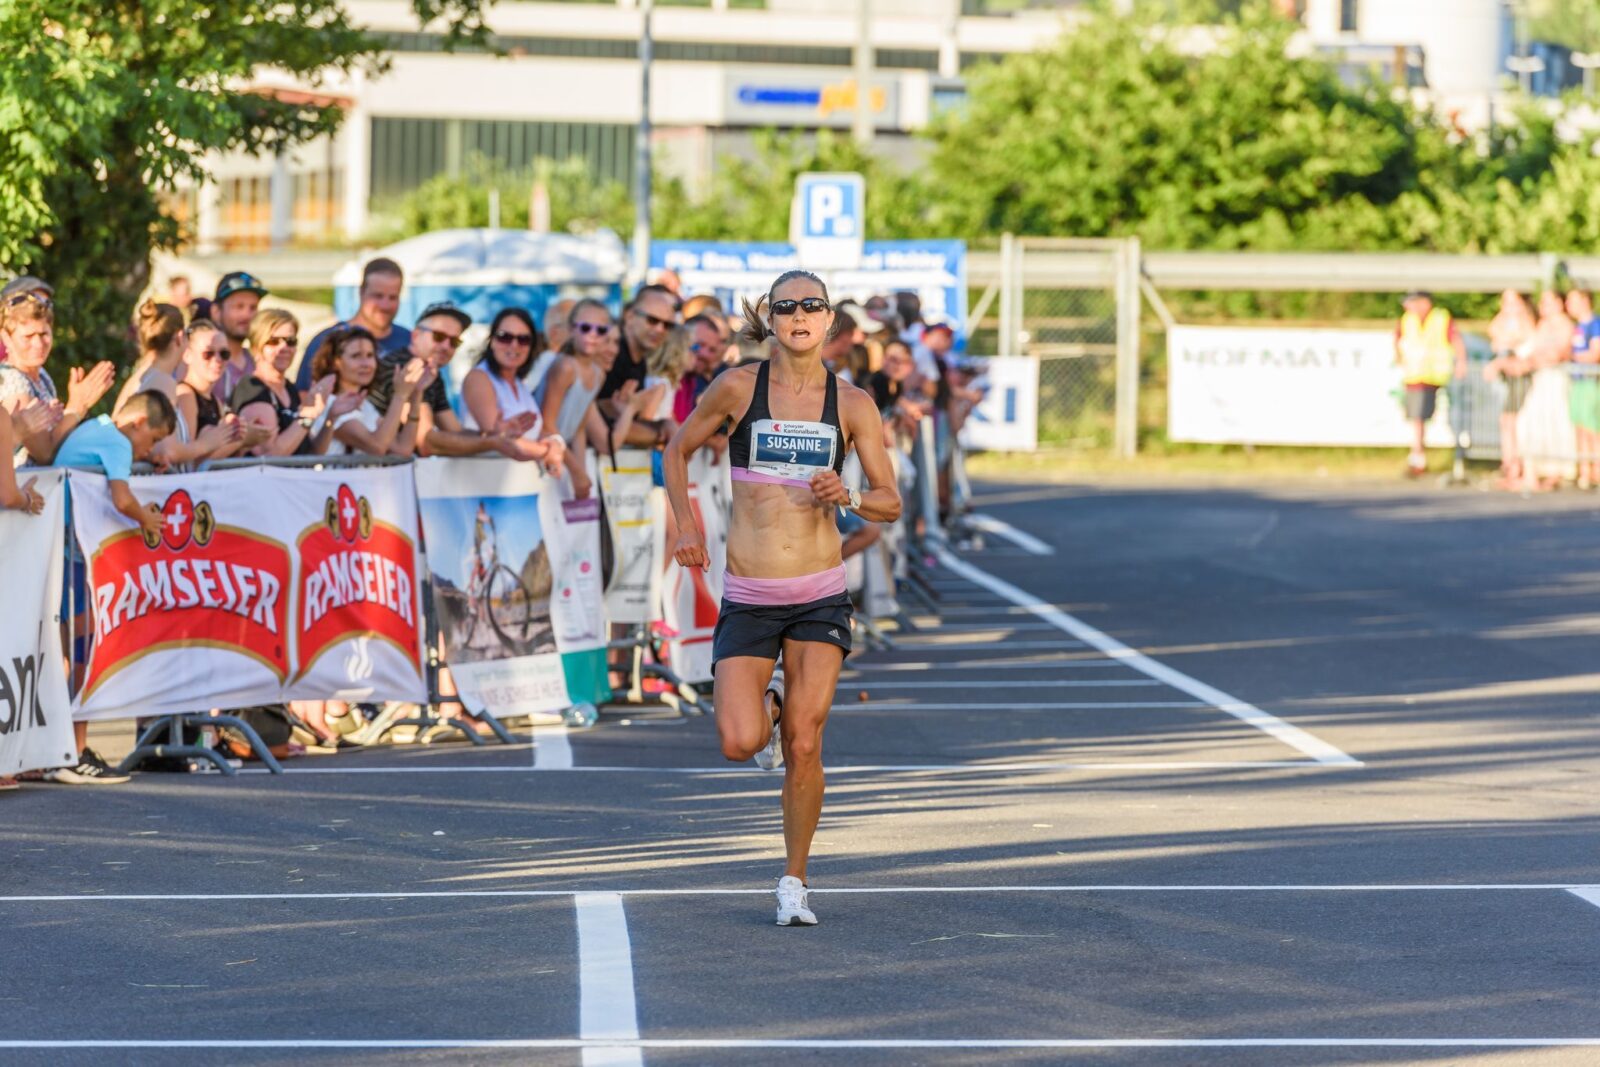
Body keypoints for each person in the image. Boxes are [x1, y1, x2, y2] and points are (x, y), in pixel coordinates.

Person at [664, 270, 901, 927]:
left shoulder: (852, 403)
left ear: (829, 321)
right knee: (740, 741)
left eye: (811, 305)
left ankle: (794, 880)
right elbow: (676, 451)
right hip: (749, 592)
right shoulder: (738, 388)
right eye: (787, 305)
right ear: (770, 318)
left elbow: (890, 501)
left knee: (804, 741)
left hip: (819, 593)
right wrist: (686, 527)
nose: (799, 315)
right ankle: (768, 703)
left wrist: (849, 495)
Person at [42, 390, 175, 785]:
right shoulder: (118, 442)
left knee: (66, 652)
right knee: (82, 651)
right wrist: (146, 520)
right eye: (152, 440)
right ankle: (71, 752)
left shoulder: (96, 430)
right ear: (138, 423)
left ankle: (60, 750)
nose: (147, 450)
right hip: (71, 554)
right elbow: (121, 498)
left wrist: (147, 457)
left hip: (56, 547)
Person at [366, 302, 539, 461]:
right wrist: (492, 442)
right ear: (416, 335)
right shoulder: (403, 367)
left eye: (454, 341)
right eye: (439, 336)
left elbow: (455, 431)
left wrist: (492, 435)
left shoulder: (431, 372)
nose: (446, 346)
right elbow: (425, 442)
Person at [540, 300, 658, 498]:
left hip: (561, 458)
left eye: (601, 330)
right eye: (585, 328)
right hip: (542, 457)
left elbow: (578, 428)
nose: (592, 335)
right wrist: (577, 472)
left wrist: (581, 472)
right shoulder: (564, 366)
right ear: (572, 329)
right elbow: (547, 425)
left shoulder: (598, 374)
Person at [117, 301, 241, 469]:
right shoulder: (163, 381)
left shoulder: (140, 377)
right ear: (180, 337)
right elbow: (165, 451)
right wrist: (207, 443)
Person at [0, 289, 113, 464]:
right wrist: (76, 408)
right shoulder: (14, 382)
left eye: (44, 334)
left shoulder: (41, 375)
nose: (38, 344)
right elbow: (45, 453)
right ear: (6, 338)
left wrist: (64, 417)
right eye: (28, 336)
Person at [460, 308, 566, 471]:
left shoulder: (519, 384)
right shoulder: (478, 378)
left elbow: (535, 433)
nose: (514, 345)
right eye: (505, 337)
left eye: (523, 339)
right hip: (480, 478)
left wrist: (556, 443)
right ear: (492, 341)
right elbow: (500, 440)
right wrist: (547, 451)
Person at [230, 308, 340, 456]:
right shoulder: (253, 389)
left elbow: (312, 453)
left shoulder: (289, 388)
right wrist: (307, 417)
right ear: (256, 347)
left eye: (290, 341)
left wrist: (332, 417)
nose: (284, 348)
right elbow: (271, 455)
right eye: (273, 341)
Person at [296, 257, 412, 392]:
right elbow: (304, 395)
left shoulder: (409, 341)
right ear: (361, 292)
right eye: (378, 296)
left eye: (393, 297)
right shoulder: (328, 341)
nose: (384, 305)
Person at [309, 325, 427, 457]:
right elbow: (377, 447)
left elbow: (403, 449)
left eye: (370, 355)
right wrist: (399, 396)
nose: (365, 364)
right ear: (335, 362)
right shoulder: (328, 403)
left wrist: (417, 395)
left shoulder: (366, 405)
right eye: (356, 356)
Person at [1393, 291, 1466, 477]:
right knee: (1417, 418)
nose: (1407, 307)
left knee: (1420, 418)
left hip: (1435, 374)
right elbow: (1398, 338)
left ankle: (1418, 458)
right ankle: (1417, 457)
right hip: (1415, 375)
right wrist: (1399, 357)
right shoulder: (1407, 319)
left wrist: (1461, 362)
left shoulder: (1440, 318)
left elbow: (1455, 339)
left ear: (1424, 302)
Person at [599, 285, 680, 448]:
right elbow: (596, 415)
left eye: (667, 325)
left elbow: (628, 419)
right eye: (652, 320)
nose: (660, 329)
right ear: (630, 316)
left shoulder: (639, 361)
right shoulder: (611, 354)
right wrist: (660, 431)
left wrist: (663, 424)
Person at [174, 319, 263, 462]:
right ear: (187, 355)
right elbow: (189, 460)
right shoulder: (185, 395)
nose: (217, 360)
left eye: (224, 354)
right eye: (208, 354)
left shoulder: (214, 400)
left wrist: (241, 433)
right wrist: (241, 440)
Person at [1517, 289, 1578, 490]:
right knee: (1530, 422)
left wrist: (1539, 357)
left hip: (1556, 380)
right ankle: (1533, 472)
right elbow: (1528, 352)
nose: (1542, 307)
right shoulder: (1542, 325)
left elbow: (1558, 354)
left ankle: (1556, 471)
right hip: (1541, 378)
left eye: (1547, 302)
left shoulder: (1566, 325)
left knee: (1555, 422)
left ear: (1559, 303)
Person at [1484, 290, 1537, 489]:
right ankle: (1509, 465)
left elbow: (1524, 348)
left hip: (1521, 377)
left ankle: (1518, 468)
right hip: (1509, 378)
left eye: (1512, 302)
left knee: (1516, 422)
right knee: (1506, 421)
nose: (1508, 307)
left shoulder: (1527, 322)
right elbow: (1494, 332)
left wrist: (1508, 341)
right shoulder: (1507, 321)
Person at [211, 271, 268, 403]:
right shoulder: (203, 361)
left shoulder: (258, 362)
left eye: (253, 307)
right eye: (239, 306)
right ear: (216, 312)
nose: (246, 315)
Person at [1565, 289, 1600, 489]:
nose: (1569, 305)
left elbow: (1595, 353)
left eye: (1573, 300)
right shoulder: (1577, 326)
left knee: (1591, 426)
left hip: (1590, 380)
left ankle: (1597, 469)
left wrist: (1572, 357)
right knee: (1579, 425)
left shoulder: (1595, 324)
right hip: (1577, 380)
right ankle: (1585, 470)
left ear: (1585, 300)